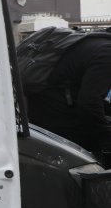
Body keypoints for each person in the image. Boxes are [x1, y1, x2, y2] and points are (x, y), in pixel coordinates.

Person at [25, 32, 111, 165]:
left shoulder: (94, 43)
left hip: (42, 106)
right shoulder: (107, 54)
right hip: (57, 112)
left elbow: (88, 96)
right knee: (94, 151)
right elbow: (88, 103)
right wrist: (107, 140)